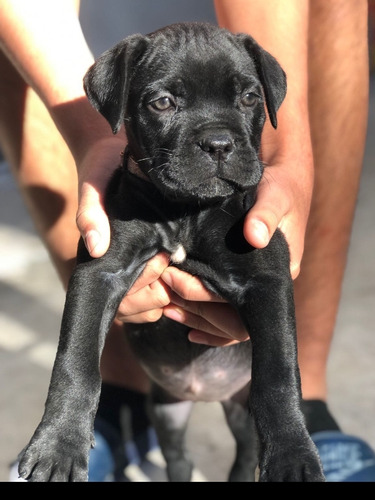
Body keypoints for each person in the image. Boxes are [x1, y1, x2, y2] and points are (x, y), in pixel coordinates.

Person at [0, 0, 373, 482]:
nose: (216, 139)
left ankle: (302, 419)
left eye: (244, 99)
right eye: (165, 102)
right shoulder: (133, 191)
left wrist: (292, 159)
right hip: (161, 361)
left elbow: (266, 285)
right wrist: (95, 140)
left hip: (246, 374)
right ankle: (103, 415)